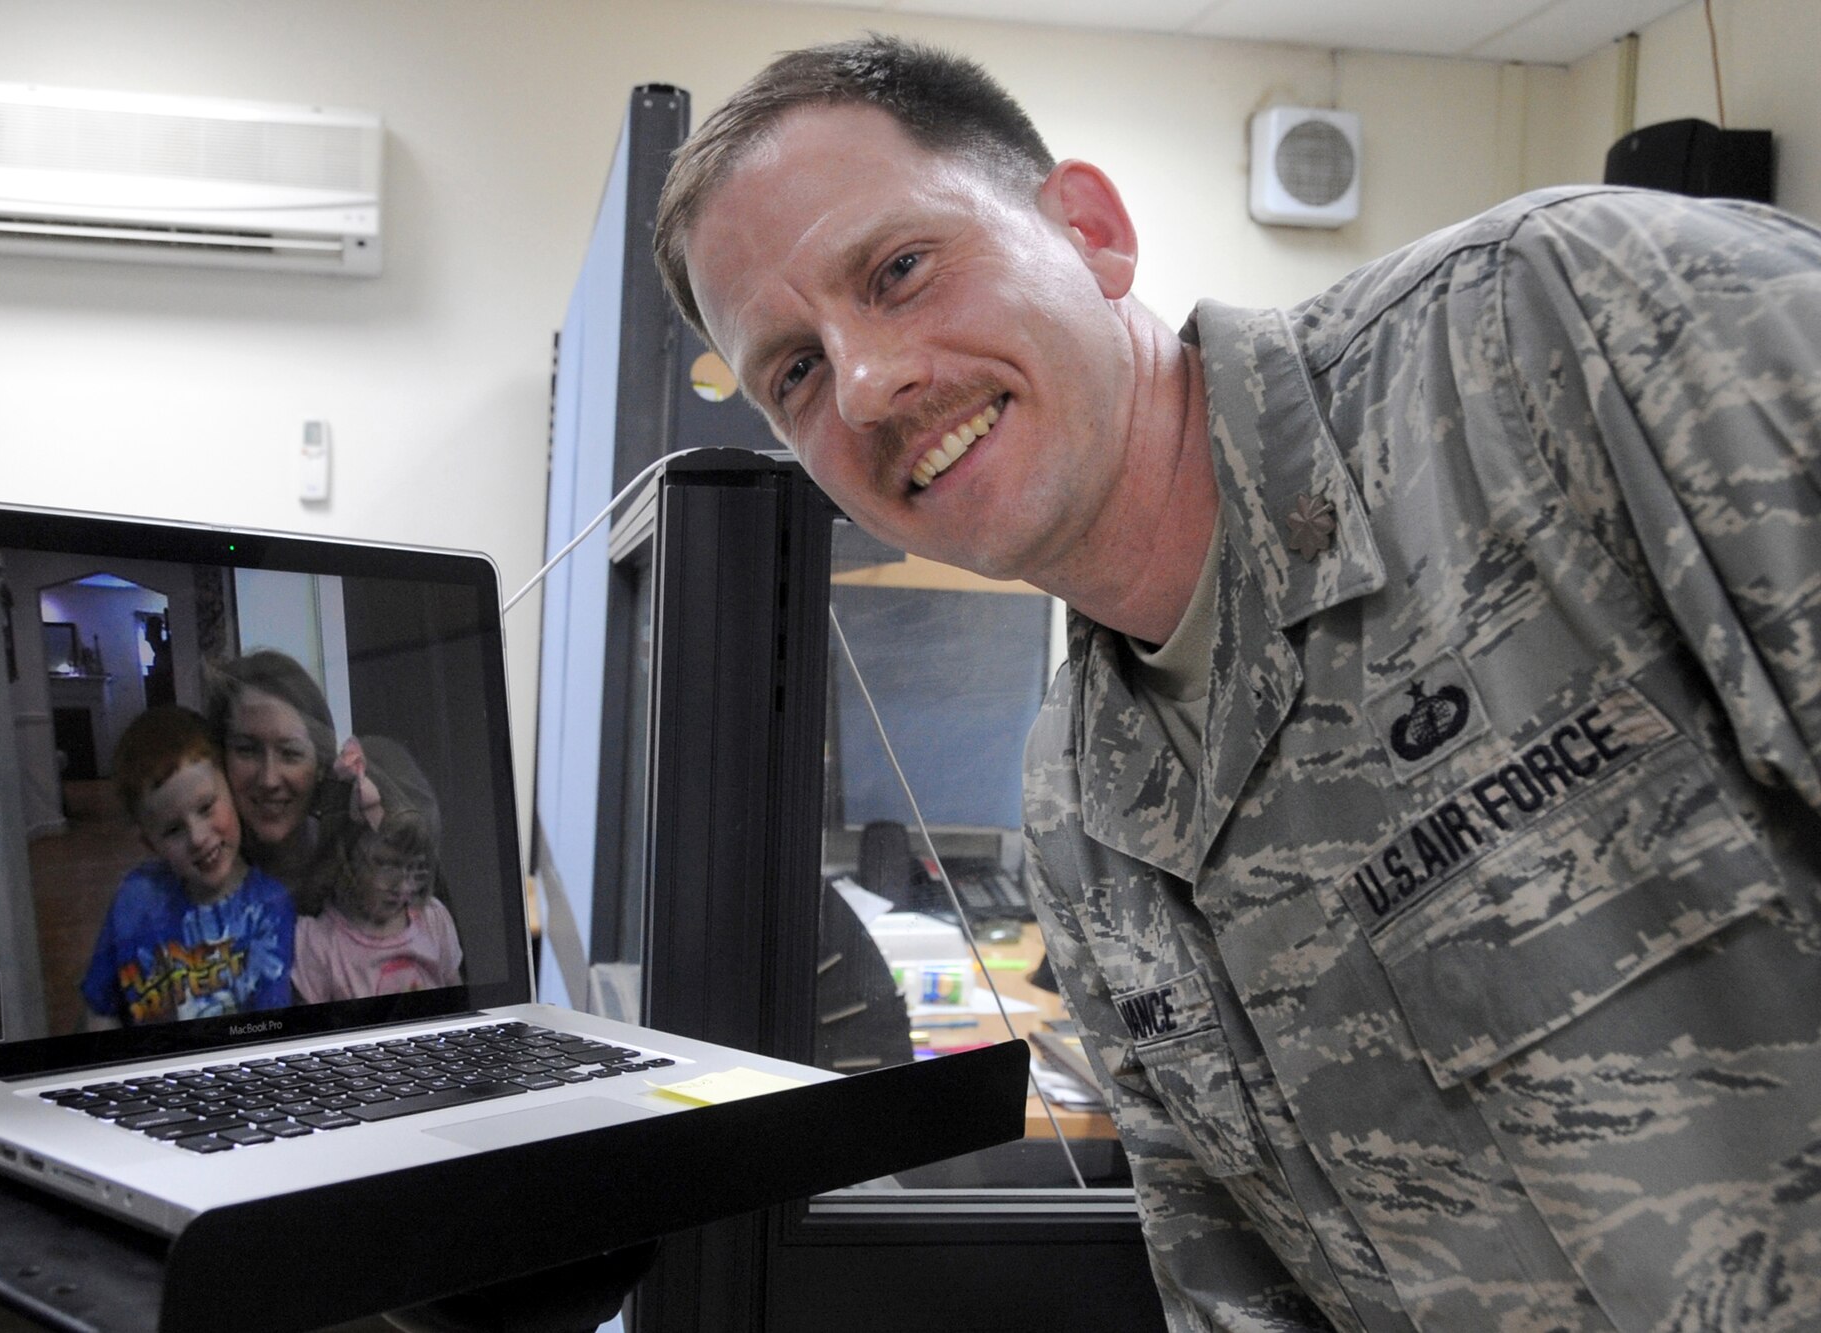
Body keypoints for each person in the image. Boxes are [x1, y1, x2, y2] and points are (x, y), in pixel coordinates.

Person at [655, 34, 1821, 1331]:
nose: (869, 384)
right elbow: (1247, 1298)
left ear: (1091, 232)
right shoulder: (1076, 811)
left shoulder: (1569, 329)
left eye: (901, 269)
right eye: (797, 373)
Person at [81, 706, 296, 1028]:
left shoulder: (270, 906)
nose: (197, 838)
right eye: (172, 830)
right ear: (150, 844)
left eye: (206, 807)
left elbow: (269, 1031)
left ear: (233, 791)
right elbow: (100, 1010)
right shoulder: (136, 898)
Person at [205, 648, 379, 915]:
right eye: (247, 750)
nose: (268, 779)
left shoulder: (380, 859)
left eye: (290, 754)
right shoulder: (197, 880)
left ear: (321, 764)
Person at [291, 736, 464, 1001]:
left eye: (417, 868)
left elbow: (460, 1008)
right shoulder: (318, 943)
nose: (404, 887)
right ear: (345, 852)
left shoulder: (434, 921)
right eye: (387, 865)